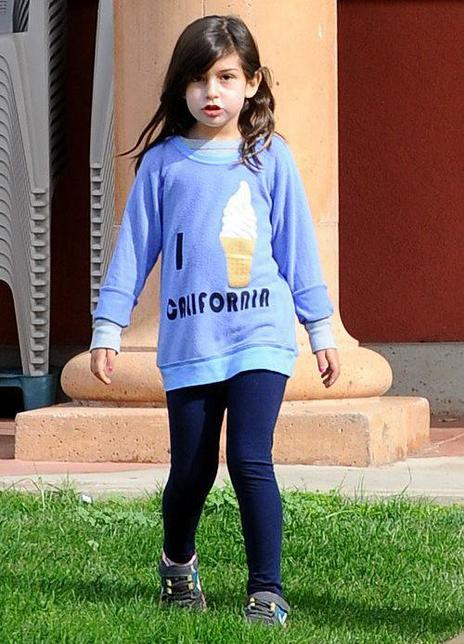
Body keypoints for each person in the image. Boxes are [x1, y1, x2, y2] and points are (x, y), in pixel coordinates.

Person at [89, 14, 340, 628]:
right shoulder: (163, 165)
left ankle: (267, 591)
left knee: (251, 460)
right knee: (192, 470)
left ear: (252, 83)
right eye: (199, 79)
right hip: (191, 342)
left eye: (226, 77)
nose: (212, 92)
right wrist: (108, 324)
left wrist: (320, 328)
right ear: (181, 87)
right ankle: (178, 565)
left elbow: (298, 249)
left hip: (260, 337)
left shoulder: (270, 158)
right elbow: (134, 250)